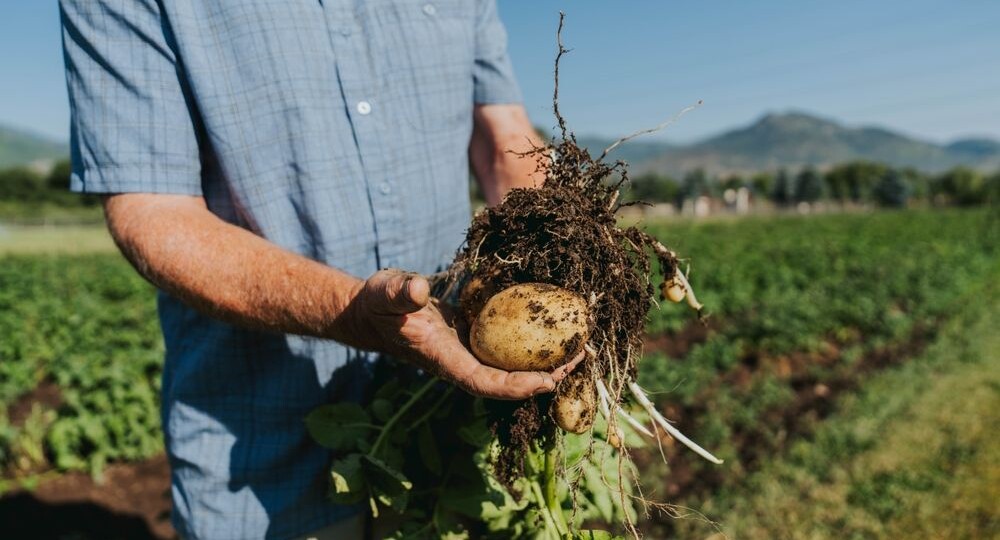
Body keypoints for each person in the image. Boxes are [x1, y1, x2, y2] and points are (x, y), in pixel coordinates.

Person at [59, 1, 577, 538]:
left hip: (447, 431)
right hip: (259, 453)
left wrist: (571, 247)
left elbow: (502, 138)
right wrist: (355, 313)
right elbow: (153, 212)